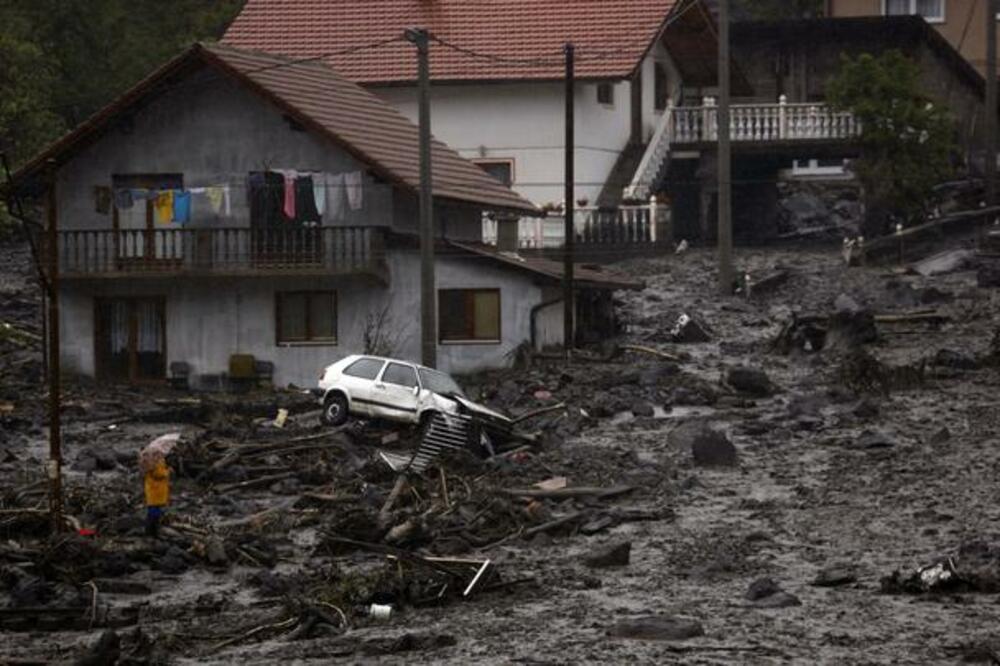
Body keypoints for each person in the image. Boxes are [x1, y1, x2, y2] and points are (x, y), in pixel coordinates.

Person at [144, 457, 170, 538]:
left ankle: (151, 531)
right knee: (154, 512)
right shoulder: (154, 463)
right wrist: (168, 471)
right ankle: (151, 532)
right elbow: (159, 474)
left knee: (153, 511)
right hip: (156, 491)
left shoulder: (150, 462)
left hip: (154, 491)